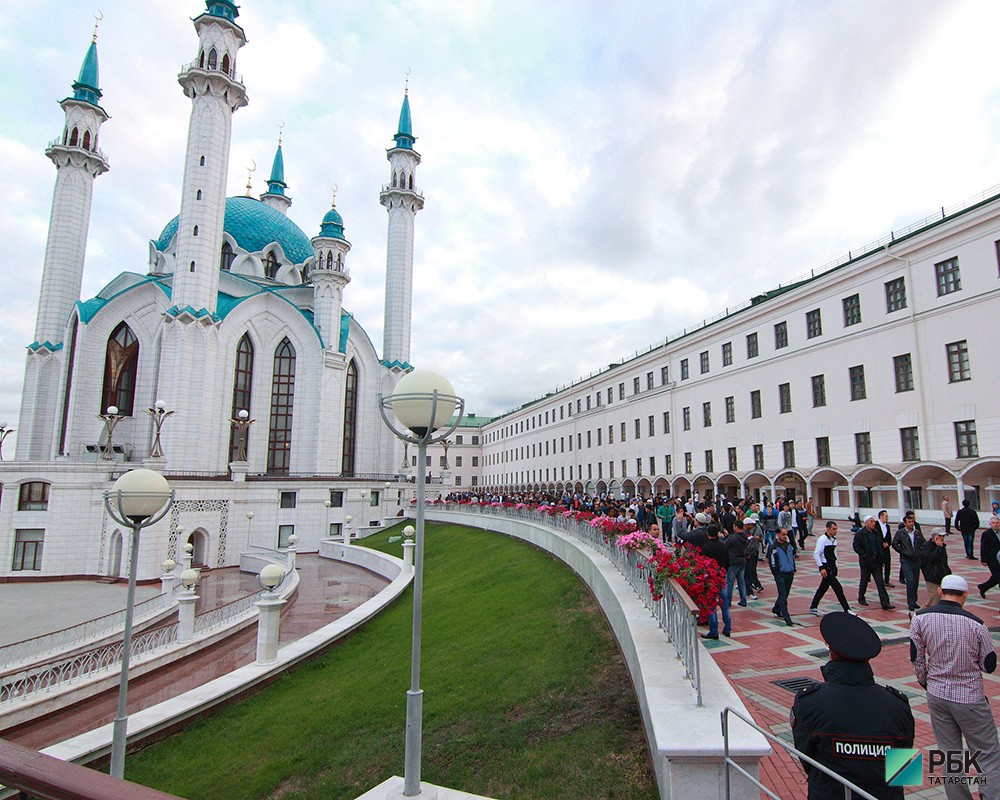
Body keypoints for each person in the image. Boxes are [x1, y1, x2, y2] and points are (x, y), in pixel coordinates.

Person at [792, 612, 914, 799]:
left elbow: (807, 759)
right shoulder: (898, 705)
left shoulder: (810, 702)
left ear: (831, 654)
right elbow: (903, 769)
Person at [910, 575, 1000, 797]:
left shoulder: (920, 618)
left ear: (941, 591)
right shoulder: (976, 624)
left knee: (950, 753)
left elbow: (917, 657)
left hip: (937, 694)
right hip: (969, 696)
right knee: (986, 751)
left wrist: (925, 681)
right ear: (965, 595)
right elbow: (989, 664)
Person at [809, 520, 854, 615]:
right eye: (833, 529)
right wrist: (821, 567)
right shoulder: (822, 539)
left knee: (823, 588)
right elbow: (816, 553)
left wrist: (836, 566)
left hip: (832, 566)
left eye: (836, 529)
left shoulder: (833, 540)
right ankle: (847, 609)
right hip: (826, 567)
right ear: (828, 529)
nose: (835, 531)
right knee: (838, 587)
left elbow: (834, 553)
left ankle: (813, 606)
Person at [853, 514, 895, 610]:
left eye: (873, 522)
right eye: (871, 522)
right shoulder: (860, 534)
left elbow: (879, 546)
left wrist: (881, 559)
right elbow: (856, 547)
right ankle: (861, 597)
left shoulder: (876, 533)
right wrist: (864, 555)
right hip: (866, 562)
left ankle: (885, 602)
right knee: (864, 580)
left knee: (880, 582)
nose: (873, 523)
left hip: (876, 562)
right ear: (866, 523)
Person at [700, 525, 731, 640]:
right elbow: (728, 561)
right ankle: (727, 628)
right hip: (722, 577)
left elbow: (702, 564)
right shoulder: (724, 545)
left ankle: (714, 631)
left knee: (711, 604)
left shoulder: (706, 547)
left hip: (710, 579)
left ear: (708, 534)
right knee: (725, 604)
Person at [892, 515, 926, 612]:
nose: (911, 523)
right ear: (905, 523)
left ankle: (914, 600)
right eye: (909, 522)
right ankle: (910, 602)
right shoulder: (901, 533)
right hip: (906, 560)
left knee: (915, 581)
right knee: (910, 581)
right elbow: (895, 543)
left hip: (916, 560)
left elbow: (923, 543)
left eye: (912, 521)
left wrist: (920, 552)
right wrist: (903, 552)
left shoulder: (917, 533)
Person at [767, 527, 797, 626]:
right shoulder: (774, 547)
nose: (785, 536)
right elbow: (772, 562)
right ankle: (786, 617)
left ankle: (776, 608)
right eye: (783, 534)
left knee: (785, 593)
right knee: (783, 595)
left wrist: (793, 568)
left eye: (786, 534)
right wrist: (776, 573)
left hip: (789, 572)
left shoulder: (788, 545)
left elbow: (791, 557)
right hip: (780, 574)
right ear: (778, 534)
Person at [920, 528, 951, 607]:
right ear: (934, 537)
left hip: (942, 575)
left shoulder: (942, 547)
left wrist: (947, 572)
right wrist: (938, 548)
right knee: (933, 600)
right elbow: (930, 558)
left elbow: (944, 562)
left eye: (943, 536)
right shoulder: (926, 546)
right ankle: (916, 615)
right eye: (940, 536)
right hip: (932, 577)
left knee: (941, 599)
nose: (942, 538)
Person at [725, 518, 749, 606]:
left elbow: (725, 545)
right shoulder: (745, 536)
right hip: (742, 560)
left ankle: (728, 601)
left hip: (734, 560)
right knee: (741, 581)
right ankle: (743, 600)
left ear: (735, 527)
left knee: (730, 582)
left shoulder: (734, 537)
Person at [978, 515, 1000, 598]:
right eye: (993, 523)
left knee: (995, 578)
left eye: (997, 523)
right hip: (993, 560)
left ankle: (983, 587)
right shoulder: (987, 534)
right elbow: (984, 547)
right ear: (990, 524)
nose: (995, 524)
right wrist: (984, 560)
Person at [877, 510, 895, 588]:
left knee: (887, 564)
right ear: (881, 516)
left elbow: (889, 537)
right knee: (878, 565)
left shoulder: (887, 526)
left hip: (886, 549)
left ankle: (886, 580)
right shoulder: (875, 524)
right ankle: (879, 580)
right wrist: (881, 544)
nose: (887, 518)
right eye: (886, 516)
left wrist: (888, 543)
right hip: (878, 549)